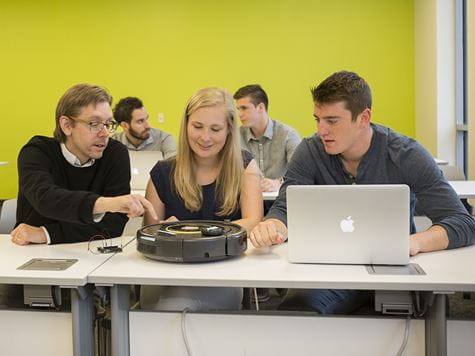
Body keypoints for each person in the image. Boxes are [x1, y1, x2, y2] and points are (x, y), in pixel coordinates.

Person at [249, 71, 475, 314]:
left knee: (429, 320)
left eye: (332, 121)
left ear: (363, 117)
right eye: (318, 119)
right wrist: (273, 226)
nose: (321, 130)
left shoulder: (406, 154)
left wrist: (413, 242)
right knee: (295, 313)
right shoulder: (310, 151)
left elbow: (463, 222)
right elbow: (284, 209)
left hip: (394, 269)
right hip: (329, 269)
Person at [141, 87, 263, 311]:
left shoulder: (244, 167)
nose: (205, 137)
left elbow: (253, 221)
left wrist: (189, 233)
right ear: (186, 125)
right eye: (197, 126)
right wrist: (160, 231)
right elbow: (149, 232)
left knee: (175, 310)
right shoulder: (162, 172)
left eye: (215, 129)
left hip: (223, 275)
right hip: (167, 276)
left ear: (229, 131)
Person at [12, 84, 157, 245]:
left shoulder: (115, 153)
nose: (105, 133)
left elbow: (114, 224)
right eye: (94, 124)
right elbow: (46, 199)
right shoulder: (37, 152)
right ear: (66, 125)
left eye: (108, 124)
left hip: (87, 252)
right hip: (32, 251)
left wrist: (46, 234)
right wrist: (107, 204)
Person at [234, 84, 301, 192]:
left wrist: (279, 183)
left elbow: (300, 173)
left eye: (244, 108)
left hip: (280, 201)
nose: (240, 115)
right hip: (245, 199)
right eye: (238, 109)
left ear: (260, 107)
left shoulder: (288, 135)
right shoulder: (235, 137)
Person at [112, 96, 176, 157]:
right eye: (140, 121)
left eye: (147, 118)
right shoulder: (113, 143)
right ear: (125, 125)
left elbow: (174, 166)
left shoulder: (164, 140)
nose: (148, 126)